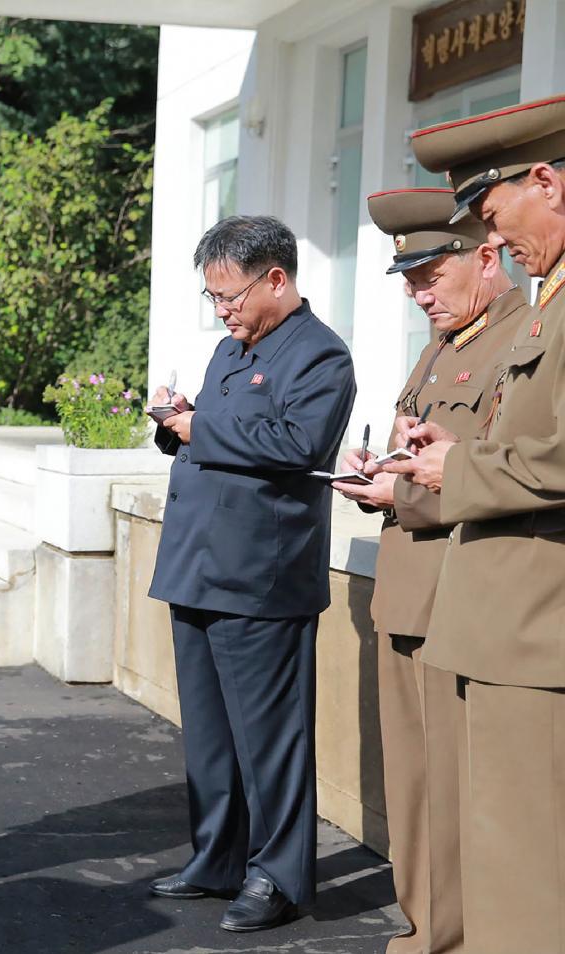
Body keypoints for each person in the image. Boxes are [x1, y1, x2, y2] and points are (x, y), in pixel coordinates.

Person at [383, 92, 565, 954]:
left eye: (494, 215)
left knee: (524, 879)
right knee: (502, 866)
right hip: (501, 625)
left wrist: (455, 467)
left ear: (545, 180)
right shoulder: (551, 299)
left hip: (535, 627)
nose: (500, 239)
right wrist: (460, 451)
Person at [145, 215, 356, 932]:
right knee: (209, 735)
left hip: (261, 580)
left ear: (277, 278)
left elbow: (297, 444)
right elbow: (219, 435)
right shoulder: (229, 352)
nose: (222, 311)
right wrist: (178, 418)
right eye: (212, 299)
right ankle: (218, 857)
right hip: (199, 565)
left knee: (269, 741)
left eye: (230, 296)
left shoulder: (321, 356)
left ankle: (278, 876)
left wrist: (198, 427)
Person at [331, 188, 525, 954]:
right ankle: (426, 934)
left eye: (430, 276)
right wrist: (379, 459)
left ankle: (456, 940)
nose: (418, 295)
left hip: (463, 596)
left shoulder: (521, 338)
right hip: (409, 593)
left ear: (488, 253)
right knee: (413, 794)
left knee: (461, 795)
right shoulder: (443, 341)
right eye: (408, 281)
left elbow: (500, 476)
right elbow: (432, 450)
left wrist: (400, 488)